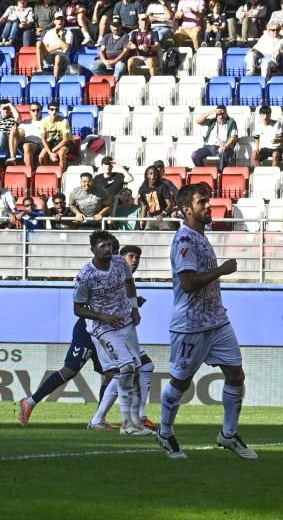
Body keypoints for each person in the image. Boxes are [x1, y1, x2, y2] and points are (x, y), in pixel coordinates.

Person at [156, 183, 254, 460]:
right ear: (186, 209)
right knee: (180, 382)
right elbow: (187, 284)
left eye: (208, 201)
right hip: (190, 324)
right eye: (202, 202)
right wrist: (221, 270)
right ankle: (164, 433)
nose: (208, 206)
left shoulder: (200, 236)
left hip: (217, 320)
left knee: (236, 374)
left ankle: (228, 434)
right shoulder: (185, 240)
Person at [69, 230, 147, 435]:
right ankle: (126, 425)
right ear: (92, 249)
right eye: (102, 246)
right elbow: (78, 308)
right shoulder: (86, 276)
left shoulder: (120, 264)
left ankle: (134, 421)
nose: (107, 249)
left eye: (109, 246)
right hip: (103, 329)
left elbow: (130, 283)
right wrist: (102, 316)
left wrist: (134, 309)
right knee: (126, 368)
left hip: (126, 322)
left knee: (137, 371)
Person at [88, 245, 159, 431]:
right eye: (131, 256)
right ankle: (135, 418)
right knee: (126, 371)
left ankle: (102, 418)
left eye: (137, 257)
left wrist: (134, 305)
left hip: (118, 331)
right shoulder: (108, 274)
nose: (134, 260)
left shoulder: (124, 277)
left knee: (140, 367)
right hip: (104, 332)